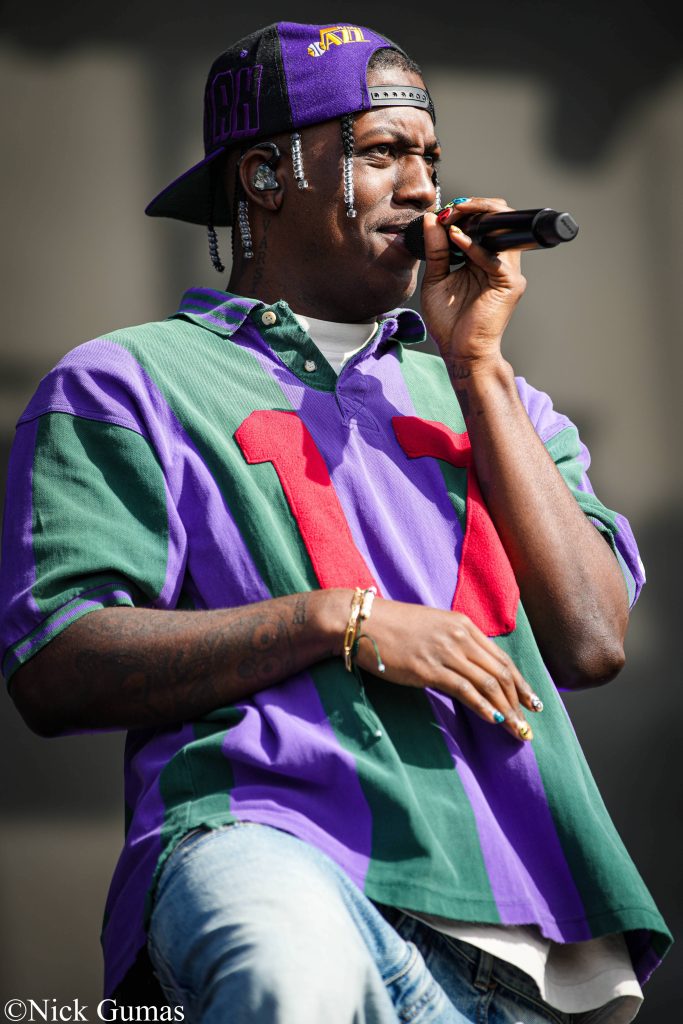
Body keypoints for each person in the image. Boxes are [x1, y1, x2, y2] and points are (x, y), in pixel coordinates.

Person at [0, 19, 671, 1024]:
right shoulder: (125, 381)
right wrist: (338, 621)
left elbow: (590, 639)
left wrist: (477, 366)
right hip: (277, 850)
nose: (423, 187)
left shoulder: (505, 403)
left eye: (430, 158)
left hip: (534, 942)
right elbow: (56, 665)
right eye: (383, 151)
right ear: (265, 176)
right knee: (286, 985)